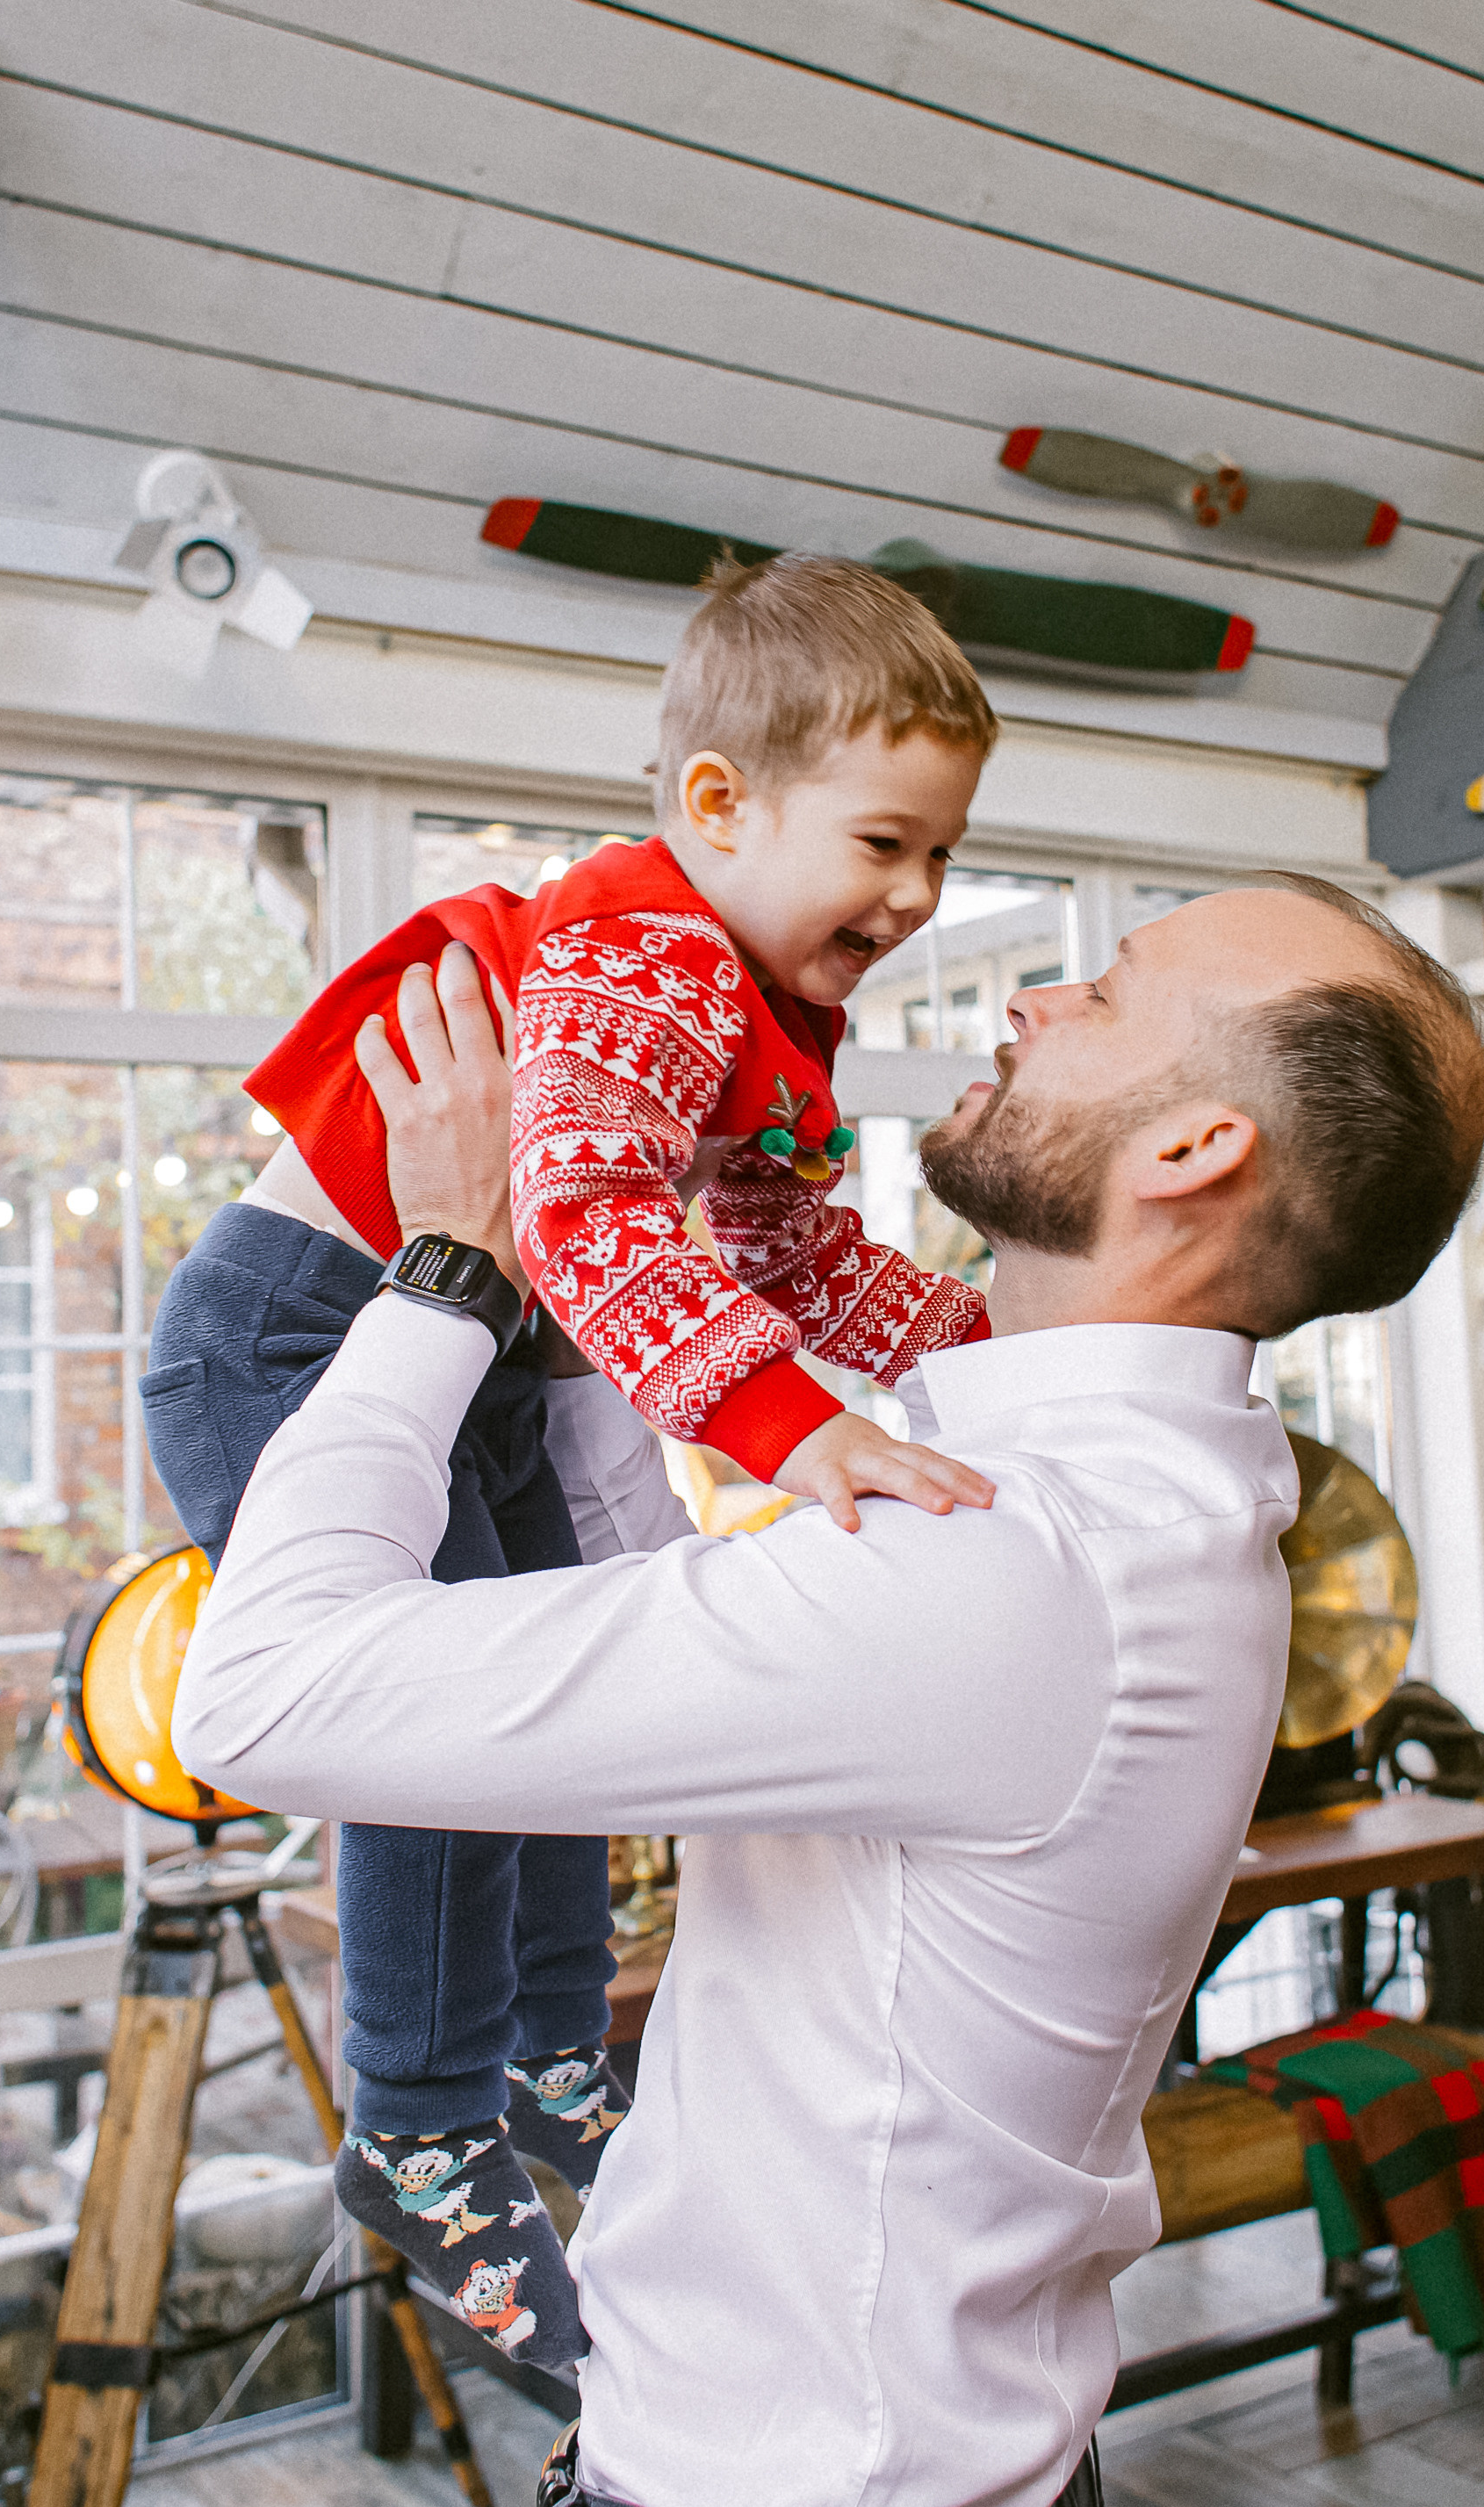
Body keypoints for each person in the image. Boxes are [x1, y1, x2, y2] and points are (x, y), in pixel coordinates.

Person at [175, 874, 1484, 2507]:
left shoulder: (1009, 1573)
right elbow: (680, 1610)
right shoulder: (1144, 1496)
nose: (1029, 999)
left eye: (1105, 993)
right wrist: (600, 1241)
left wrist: (454, 1261)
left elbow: (260, 1691)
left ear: (1197, 1149)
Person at [145, 556, 1000, 2359]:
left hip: (479, 1359)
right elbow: (589, 1214)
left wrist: (992, 1347)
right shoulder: (649, 960)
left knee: (556, 1705)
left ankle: (548, 2050)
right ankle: (415, 2118)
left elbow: (789, 1250)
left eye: (943, 851)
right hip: (296, 1336)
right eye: (883, 843)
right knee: (443, 1721)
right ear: (720, 802)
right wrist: (796, 1428)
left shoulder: (761, 999)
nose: (920, 894)